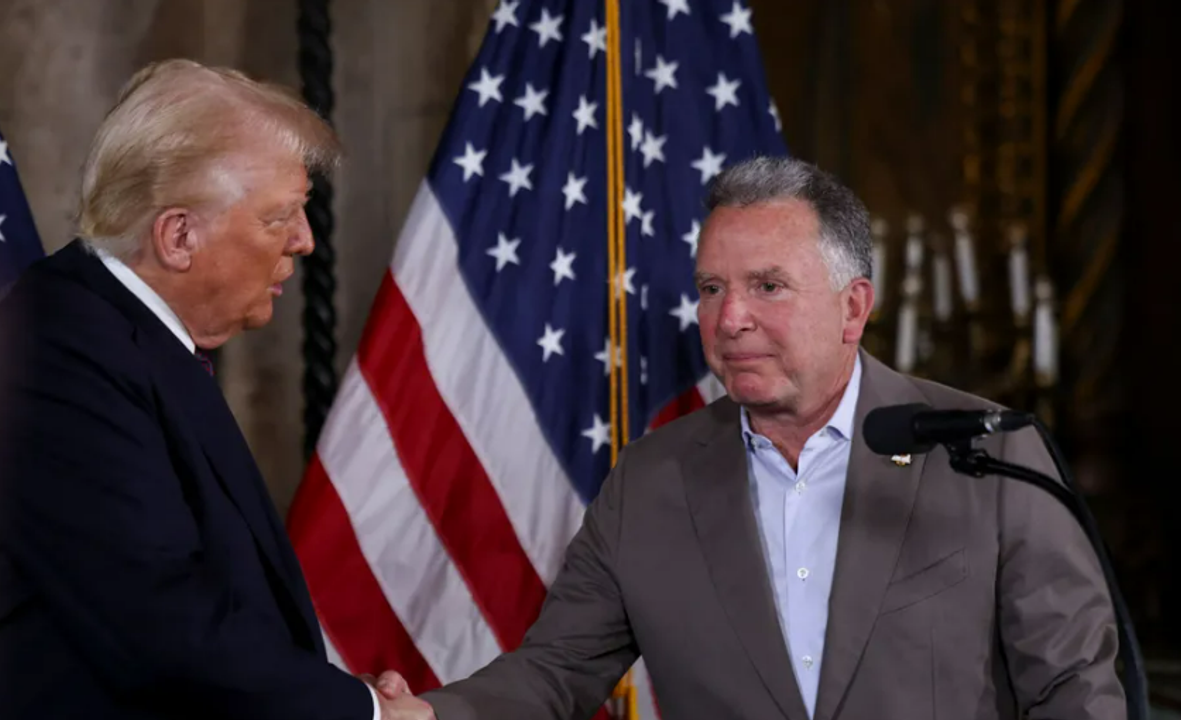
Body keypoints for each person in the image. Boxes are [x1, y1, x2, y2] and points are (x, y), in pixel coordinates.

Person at [376, 156, 1126, 719]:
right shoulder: (652, 479)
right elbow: (556, 670)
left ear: (853, 307)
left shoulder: (988, 453)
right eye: (711, 289)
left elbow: (1072, 689)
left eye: (767, 286)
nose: (729, 319)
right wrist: (433, 717)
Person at [0, 60, 433, 720]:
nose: (305, 241)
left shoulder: (122, 337)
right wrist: (365, 712)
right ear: (179, 236)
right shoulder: (57, 354)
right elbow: (161, 626)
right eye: (280, 217)